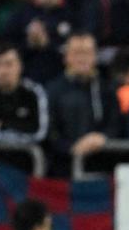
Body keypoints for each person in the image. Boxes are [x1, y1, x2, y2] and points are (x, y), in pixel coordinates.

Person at [45, 31, 122, 177]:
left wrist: (102, 138)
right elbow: (49, 131)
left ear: (95, 56)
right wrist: (72, 148)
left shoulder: (108, 89)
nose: (82, 58)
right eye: (76, 53)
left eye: (87, 52)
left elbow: (116, 124)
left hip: (102, 169)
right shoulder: (53, 90)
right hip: (62, 172)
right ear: (66, 57)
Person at [0, 42, 49, 171]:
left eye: (9, 64)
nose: (4, 71)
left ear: (20, 66)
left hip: (26, 165)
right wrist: (18, 127)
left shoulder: (33, 92)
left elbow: (39, 133)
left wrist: (3, 126)